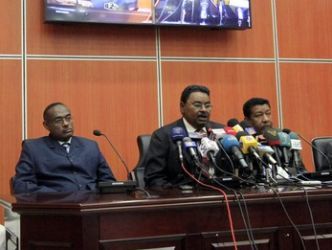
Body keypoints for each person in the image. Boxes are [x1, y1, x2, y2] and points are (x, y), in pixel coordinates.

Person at [13, 102, 116, 194]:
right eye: (58, 120)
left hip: (91, 206)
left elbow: (108, 182)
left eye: (68, 118)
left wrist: (92, 191)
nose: (66, 124)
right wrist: (57, 195)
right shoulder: (33, 148)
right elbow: (22, 185)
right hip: (56, 208)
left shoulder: (90, 146)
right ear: (46, 125)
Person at [144, 84, 224, 188]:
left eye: (207, 105)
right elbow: (154, 178)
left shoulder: (220, 132)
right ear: (182, 107)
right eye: (197, 105)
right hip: (182, 197)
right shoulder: (163, 136)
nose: (204, 110)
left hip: (220, 195)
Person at [242, 97, 306, 175]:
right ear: (247, 120)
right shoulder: (244, 143)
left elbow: (301, 170)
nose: (265, 119)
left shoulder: (284, 137)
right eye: (258, 115)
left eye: (268, 113)